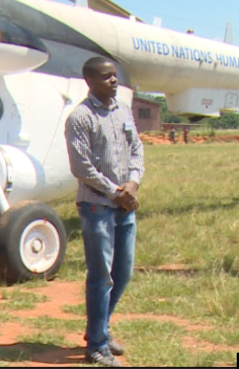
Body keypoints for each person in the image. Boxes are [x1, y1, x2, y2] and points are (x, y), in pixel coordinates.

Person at [65, 57, 144, 368]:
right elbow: (81, 166)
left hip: (126, 204)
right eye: (106, 77)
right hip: (97, 205)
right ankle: (97, 347)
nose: (114, 81)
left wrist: (133, 183)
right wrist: (116, 193)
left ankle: (100, 329)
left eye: (115, 76)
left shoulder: (123, 110)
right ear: (91, 82)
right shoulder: (81, 118)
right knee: (101, 278)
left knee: (122, 273)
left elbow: (136, 148)